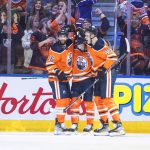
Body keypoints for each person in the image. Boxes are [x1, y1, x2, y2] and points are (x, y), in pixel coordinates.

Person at [85, 26, 125, 136]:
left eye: (87, 35)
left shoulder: (100, 44)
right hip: (100, 73)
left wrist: (103, 69)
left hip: (109, 72)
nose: (85, 37)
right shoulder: (90, 45)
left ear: (93, 35)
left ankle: (118, 125)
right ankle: (105, 124)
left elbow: (112, 57)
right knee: (97, 99)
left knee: (107, 98)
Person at [45, 29, 74, 135]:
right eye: (60, 36)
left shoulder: (70, 44)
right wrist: (58, 71)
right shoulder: (55, 48)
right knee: (61, 101)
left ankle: (59, 122)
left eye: (64, 36)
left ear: (67, 37)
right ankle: (59, 124)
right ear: (58, 37)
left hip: (65, 79)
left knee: (66, 101)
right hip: (56, 79)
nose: (62, 38)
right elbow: (49, 64)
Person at [68, 28, 95, 134]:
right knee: (74, 103)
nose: (79, 45)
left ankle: (89, 124)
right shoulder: (73, 51)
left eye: (81, 43)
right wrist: (73, 32)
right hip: (75, 81)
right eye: (77, 43)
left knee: (89, 104)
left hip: (87, 80)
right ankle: (74, 124)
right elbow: (70, 41)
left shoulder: (90, 50)